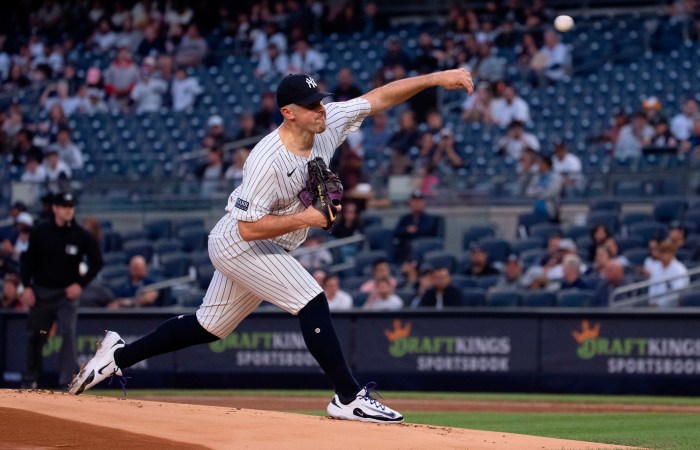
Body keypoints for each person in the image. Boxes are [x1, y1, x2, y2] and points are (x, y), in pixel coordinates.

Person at [68, 69, 474, 423]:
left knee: (209, 326)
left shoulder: (328, 122)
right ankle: (348, 398)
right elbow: (246, 230)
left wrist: (437, 78)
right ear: (288, 112)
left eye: (320, 101)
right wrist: (309, 218)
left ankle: (116, 357)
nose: (321, 109)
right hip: (239, 242)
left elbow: (377, 98)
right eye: (311, 104)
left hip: (268, 244)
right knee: (312, 299)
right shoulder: (266, 160)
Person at [20, 192, 103, 389]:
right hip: (42, 294)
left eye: (71, 207)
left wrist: (80, 284)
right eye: (64, 206)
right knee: (38, 334)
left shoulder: (80, 235)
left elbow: (97, 262)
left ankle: (68, 380)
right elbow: (27, 261)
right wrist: (27, 287)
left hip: (66, 296)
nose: (68, 210)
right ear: (56, 208)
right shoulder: (40, 232)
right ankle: (31, 378)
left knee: (67, 331)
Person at [393, 190, 441, 263]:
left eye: (419, 201)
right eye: (414, 201)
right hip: (404, 252)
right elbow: (396, 232)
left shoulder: (430, 219)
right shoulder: (405, 219)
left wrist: (414, 231)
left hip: (423, 251)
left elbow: (427, 233)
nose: (416, 204)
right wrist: (406, 230)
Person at [647, 239, 689, 307]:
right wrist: (652, 303)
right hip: (656, 308)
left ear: (672, 253)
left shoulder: (680, 270)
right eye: (661, 252)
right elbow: (652, 290)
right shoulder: (656, 268)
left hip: (676, 307)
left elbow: (677, 294)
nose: (662, 255)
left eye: (665, 252)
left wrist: (660, 304)